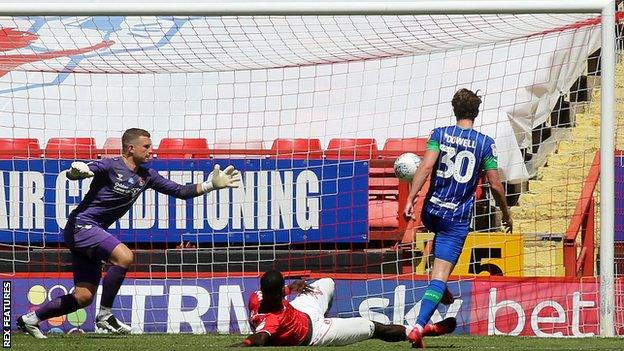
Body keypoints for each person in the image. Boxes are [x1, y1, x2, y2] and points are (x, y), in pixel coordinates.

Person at [17, 128, 241, 338]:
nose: (151, 150)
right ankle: (105, 315)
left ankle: (31, 319)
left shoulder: (147, 176)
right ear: (131, 148)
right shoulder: (110, 165)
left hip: (91, 232)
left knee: (83, 297)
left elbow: (180, 191)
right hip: (81, 226)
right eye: (146, 146)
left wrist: (211, 185)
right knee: (125, 256)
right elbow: (84, 171)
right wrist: (78, 172)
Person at [402, 88, 513, 348]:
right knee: (440, 274)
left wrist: (411, 198)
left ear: (454, 110)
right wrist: (506, 213)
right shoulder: (485, 143)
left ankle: (440, 291)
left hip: (431, 212)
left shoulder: (439, 135)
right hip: (456, 218)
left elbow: (426, 166)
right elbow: (496, 186)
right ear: (476, 112)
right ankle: (419, 326)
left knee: (438, 252)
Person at [235, 270, 456, 347]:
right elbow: (260, 338)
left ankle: (327, 316)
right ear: (269, 293)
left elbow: (278, 294)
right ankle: (421, 330)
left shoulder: (257, 297)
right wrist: (239, 345)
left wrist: (293, 288)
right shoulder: (270, 318)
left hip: (303, 310)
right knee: (371, 327)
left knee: (328, 282)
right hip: (316, 333)